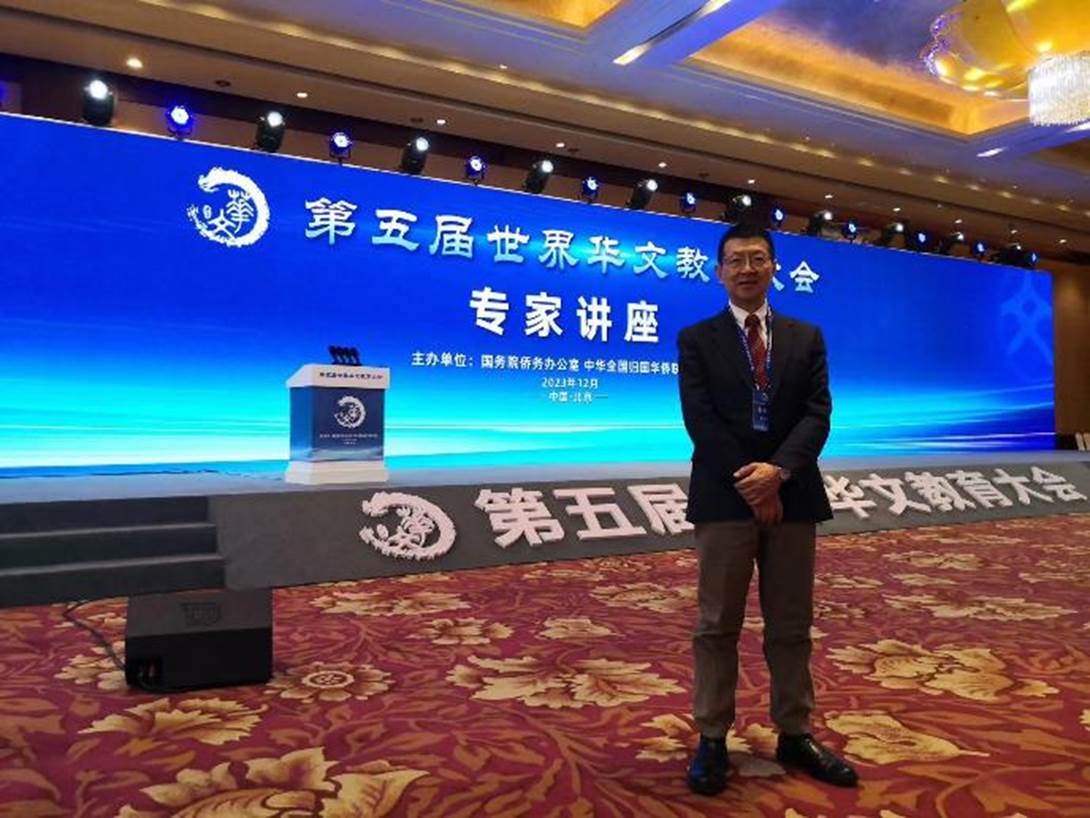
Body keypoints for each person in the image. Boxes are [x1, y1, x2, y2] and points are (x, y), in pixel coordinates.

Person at [677, 222, 857, 796]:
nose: (747, 269)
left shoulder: (807, 337)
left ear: (775, 267)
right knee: (716, 625)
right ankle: (711, 737)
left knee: (791, 623)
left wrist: (777, 474)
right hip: (723, 496)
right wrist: (752, 482)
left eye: (758, 258)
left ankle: (794, 732)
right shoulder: (696, 339)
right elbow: (700, 420)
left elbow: (817, 414)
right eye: (735, 260)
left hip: (793, 496)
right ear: (718, 272)